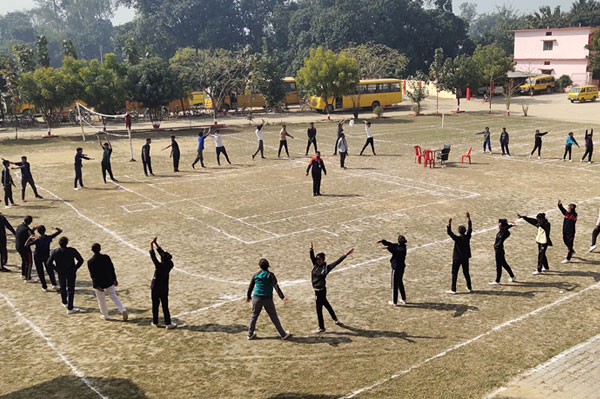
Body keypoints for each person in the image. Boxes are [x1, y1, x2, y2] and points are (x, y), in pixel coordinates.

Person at [309, 241, 354, 333]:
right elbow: (311, 257)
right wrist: (311, 249)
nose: (318, 261)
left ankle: (322, 328)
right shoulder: (315, 265)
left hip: (320, 291)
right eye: (317, 259)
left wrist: (346, 254)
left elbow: (337, 262)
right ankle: (336, 319)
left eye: (319, 259)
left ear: (323, 260)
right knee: (326, 305)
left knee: (319, 309)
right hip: (317, 291)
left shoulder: (326, 268)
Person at [246, 258, 291, 340]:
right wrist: (282, 297)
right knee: (273, 316)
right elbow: (276, 286)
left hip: (256, 298)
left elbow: (251, 286)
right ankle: (283, 334)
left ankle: (250, 334)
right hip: (267, 299)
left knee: (254, 316)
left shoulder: (256, 275)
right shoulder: (270, 275)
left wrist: (248, 297)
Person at [87, 243, 128, 321]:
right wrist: (114, 279)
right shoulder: (106, 257)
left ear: (92, 250)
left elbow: (93, 275)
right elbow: (112, 268)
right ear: (100, 249)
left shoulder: (90, 261)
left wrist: (96, 285)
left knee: (101, 299)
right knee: (113, 295)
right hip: (108, 280)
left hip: (99, 282)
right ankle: (122, 310)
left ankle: (105, 315)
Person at [47, 236, 84, 314]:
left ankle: (64, 302)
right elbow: (80, 260)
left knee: (63, 287)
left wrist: (56, 269)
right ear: (67, 243)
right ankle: (70, 308)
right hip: (71, 272)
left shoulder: (55, 251)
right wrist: (75, 268)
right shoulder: (72, 250)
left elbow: (48, 263)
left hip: (61, 272)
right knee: (70, 289)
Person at [25, 225, 62, 291]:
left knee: (40, 271)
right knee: (50, 270)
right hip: (46, 256)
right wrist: (55, 228)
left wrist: (29, 238)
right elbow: (60, 231)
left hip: (38, 257)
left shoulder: (37, 240)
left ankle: (44, 286)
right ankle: (54, 284)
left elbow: (26, 245)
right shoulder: (49, 238)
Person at [149, 236, 176, 329]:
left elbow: (153, 257)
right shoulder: (170, 264)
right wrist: (156, 244)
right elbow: (162, 254)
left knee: (155, 305)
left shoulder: (159, 266)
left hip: (155, 287)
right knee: (165, 306)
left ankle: (155, 321)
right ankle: (168, 323)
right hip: (164, 288)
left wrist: (151, 244)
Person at [446, 212, 473, 294]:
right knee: (466, 272)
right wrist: (469, 218)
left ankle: (453, 289)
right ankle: (469, 287)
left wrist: (449, 224)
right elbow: (470, 229)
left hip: (457, 258)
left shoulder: (457, 238)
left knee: (455, 273)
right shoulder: (467, 237)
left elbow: (450, 233)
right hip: (465, 258)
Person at [378, 235, 407, 305]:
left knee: (395, 285)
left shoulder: (401, 250)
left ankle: (394, 302)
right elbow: (392, 244)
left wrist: (388, 248)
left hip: (396, 268)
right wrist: (383, 241)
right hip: (401, 268)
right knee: (400, 282)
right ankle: (403, 298)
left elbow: (394, 250)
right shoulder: (402, 247)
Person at [489, 219, 516, 285]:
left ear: (503, 226)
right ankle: (512, 276)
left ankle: (497, 280)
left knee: (498, 266)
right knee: (504, 264)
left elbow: (507, 227)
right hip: (498, 250)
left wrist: (510, 224)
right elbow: (507, 225)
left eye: (500, 225)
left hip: (499, 251)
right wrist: (509, 222)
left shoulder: (505, 233)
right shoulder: (502, 230)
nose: (498, 226)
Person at [15, 216, 34, 282]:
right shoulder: (27, 229)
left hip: (18, 246)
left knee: (24, 260)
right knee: (29, 262)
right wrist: (33, 231)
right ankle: (28, 278)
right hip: (25, 248)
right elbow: (32, 238)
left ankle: (23, 274)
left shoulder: (20, 226)